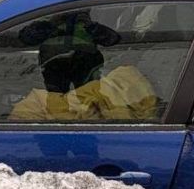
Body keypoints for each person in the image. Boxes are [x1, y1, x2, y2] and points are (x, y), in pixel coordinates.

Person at [10, 11, 159, 121]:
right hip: (54, 66)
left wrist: (92, 26)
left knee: (86, 105)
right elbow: (24, 37)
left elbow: (113, 40)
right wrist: (50, 23)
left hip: (86, 64)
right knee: (55, 106)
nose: (69, 15)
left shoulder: (94, 18)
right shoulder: (47, 18)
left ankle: (85, 139)